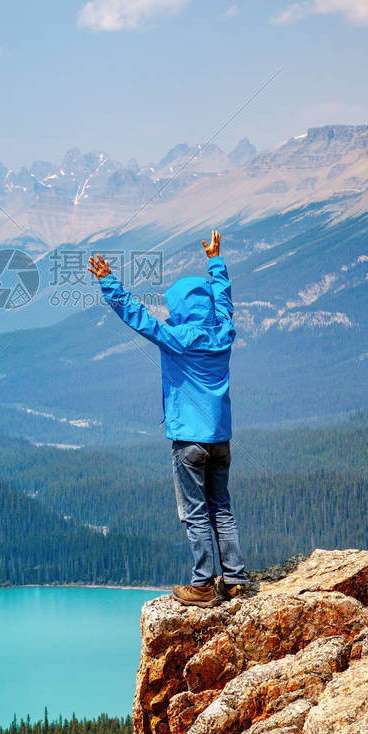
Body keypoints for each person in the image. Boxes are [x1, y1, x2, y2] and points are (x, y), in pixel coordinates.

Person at [87, 230, 247, 608]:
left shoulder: (177, 336)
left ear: (179, 308)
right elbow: (224, 301)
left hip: (188, 441)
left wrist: (108, 281)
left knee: (194, 513)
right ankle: (235, 580)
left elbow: (139, 318)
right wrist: (216, 261)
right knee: (220, 507)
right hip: (220, 438)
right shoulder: (223, 332)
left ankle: (203, 585)